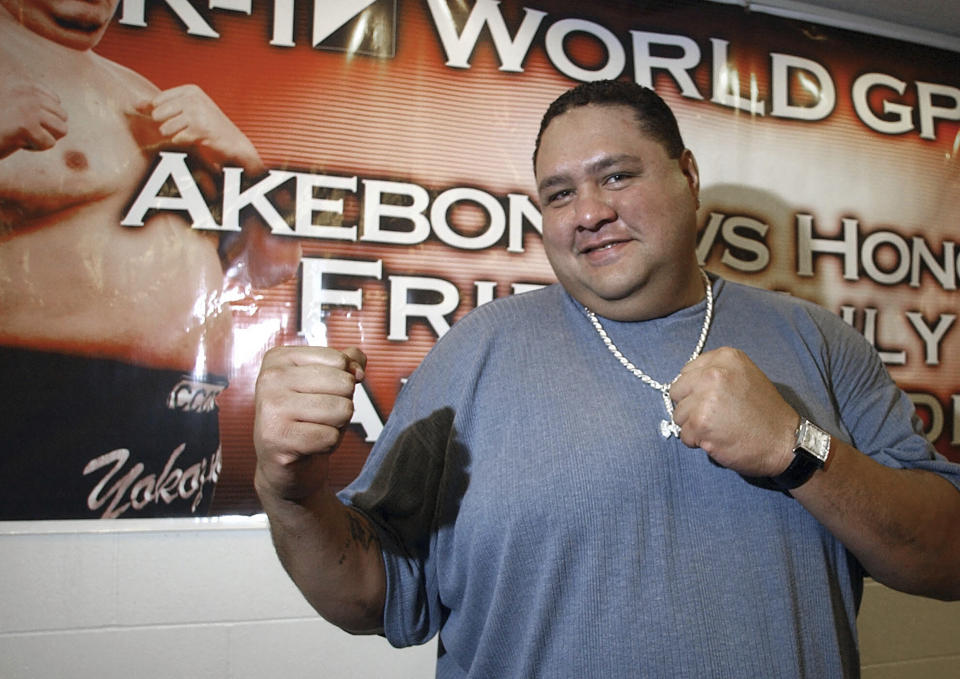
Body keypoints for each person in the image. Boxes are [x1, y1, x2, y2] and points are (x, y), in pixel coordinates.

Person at [252, 80, 960, 677]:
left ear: (687, 176)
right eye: (559, 194)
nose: (588, 213)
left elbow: (948, 557)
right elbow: (374, 597)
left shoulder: (821, 342)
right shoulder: (475, 351)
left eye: (617, 175)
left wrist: (795, 448)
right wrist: (290, 494)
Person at [0, 0, 300, 519]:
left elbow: (275, 266)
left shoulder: (135, 91)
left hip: (182, 415)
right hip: (40, 402)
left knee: (163, 587)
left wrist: (244, 159)